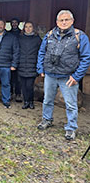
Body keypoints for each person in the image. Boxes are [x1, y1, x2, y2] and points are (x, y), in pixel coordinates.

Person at [37, 10, 90, 140]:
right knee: (47, 100)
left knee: (71, 104)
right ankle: (47, 120)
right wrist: (40, 68)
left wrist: (77, 76)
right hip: (50, 74)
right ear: (57, 22)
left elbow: (86, 58)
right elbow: (41, 52)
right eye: (61, 20)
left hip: (69, 76)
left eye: (67, 20)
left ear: (72, 21)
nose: (64, 22)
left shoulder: (80, 36)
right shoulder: (49, 35)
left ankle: (71, 128)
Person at [0, 19, 20, 108]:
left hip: (6, 65)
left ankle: (6, 100)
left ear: (5, 26)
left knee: (6, 84)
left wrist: (14, 64)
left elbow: (16, 51)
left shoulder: (12, 37)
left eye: (1, 24)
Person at [18, 21, 42, 109]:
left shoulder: (37, 39)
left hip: (32, 65)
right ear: (24, 28)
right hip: (22, 64)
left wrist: (39, 65)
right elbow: (17, 51)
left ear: (33, 28)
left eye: (30, 27)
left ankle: (31, 101)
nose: (28, 29)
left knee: (29, 86)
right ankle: (26, 101)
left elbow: (41, 52)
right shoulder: (20, 38)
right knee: (23, 86)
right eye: (26, 27)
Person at [8, 18, 22, 102]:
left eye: (15, 23)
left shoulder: (21, 33)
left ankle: (18, 94)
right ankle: (10, 93)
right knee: (9, 78)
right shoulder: (8, 33)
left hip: (19, 58)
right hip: (9, 58)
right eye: (12, 23)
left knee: (18, 79)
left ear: (18, 23)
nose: (14, 24)